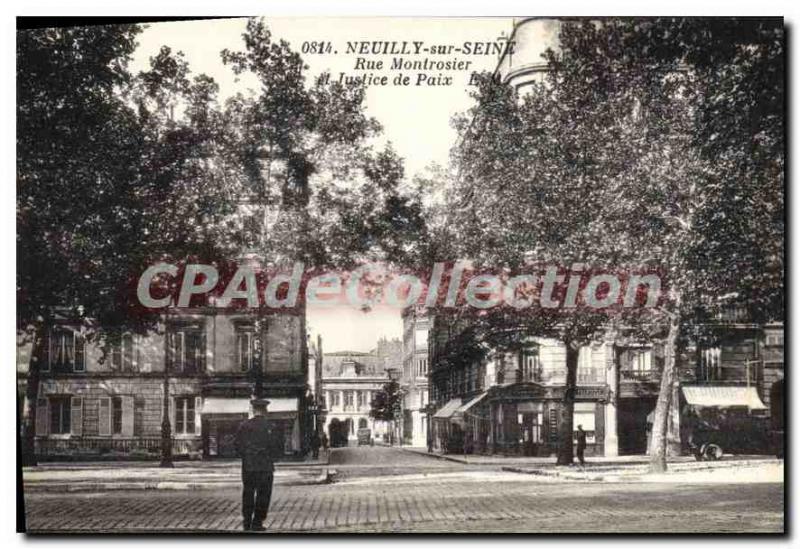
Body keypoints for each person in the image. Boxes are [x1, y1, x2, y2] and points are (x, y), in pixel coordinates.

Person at [235, 398, 278, 532]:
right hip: (265, 465)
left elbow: (237, 445)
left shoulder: (244, 425)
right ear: (265, 410)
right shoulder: (270, 426)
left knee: (248, 492)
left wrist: (246, 455)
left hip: (249, 465)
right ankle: (257, 522)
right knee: (263, 494)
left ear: (253, 410)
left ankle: (247, 522)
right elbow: (276, 446)